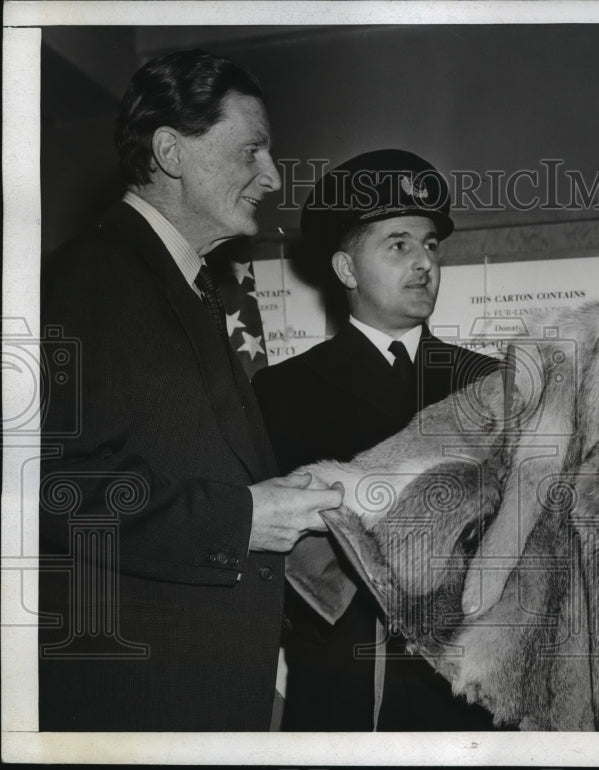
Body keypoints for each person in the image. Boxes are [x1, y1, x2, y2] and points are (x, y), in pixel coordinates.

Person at [38, 49, 344, 731]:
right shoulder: (93, 275)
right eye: (252, 151)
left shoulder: (185, 283)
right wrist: (240, 520)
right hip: (141, 705)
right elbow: (43, 488)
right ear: (172, 152)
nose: (270, 176)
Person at [252, 149, 500, 731]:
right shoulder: (283, 390)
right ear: (345, 270)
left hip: (465, 694)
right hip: (344, 692)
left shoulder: (488, 384)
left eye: (431, 245)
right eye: (398, 245)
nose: (424, 263)